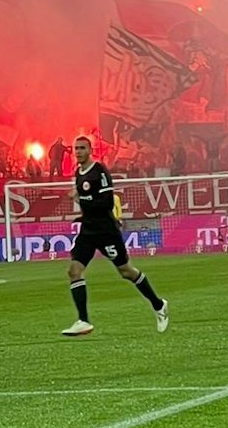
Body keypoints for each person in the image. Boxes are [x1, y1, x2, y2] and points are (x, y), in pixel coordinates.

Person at [60, 136, 169, 337]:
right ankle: (83, 320)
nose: (78, 152)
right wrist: (82, 215)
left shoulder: (99, 171)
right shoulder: (78, 173)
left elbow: (106, 203)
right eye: (76, 148)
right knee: (74, 270)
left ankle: (158, 304)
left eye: (82, 148)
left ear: (90, 150)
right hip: (88, 231)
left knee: (126, 271)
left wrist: (80, 197)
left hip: (106, 230)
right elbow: (89, 203)